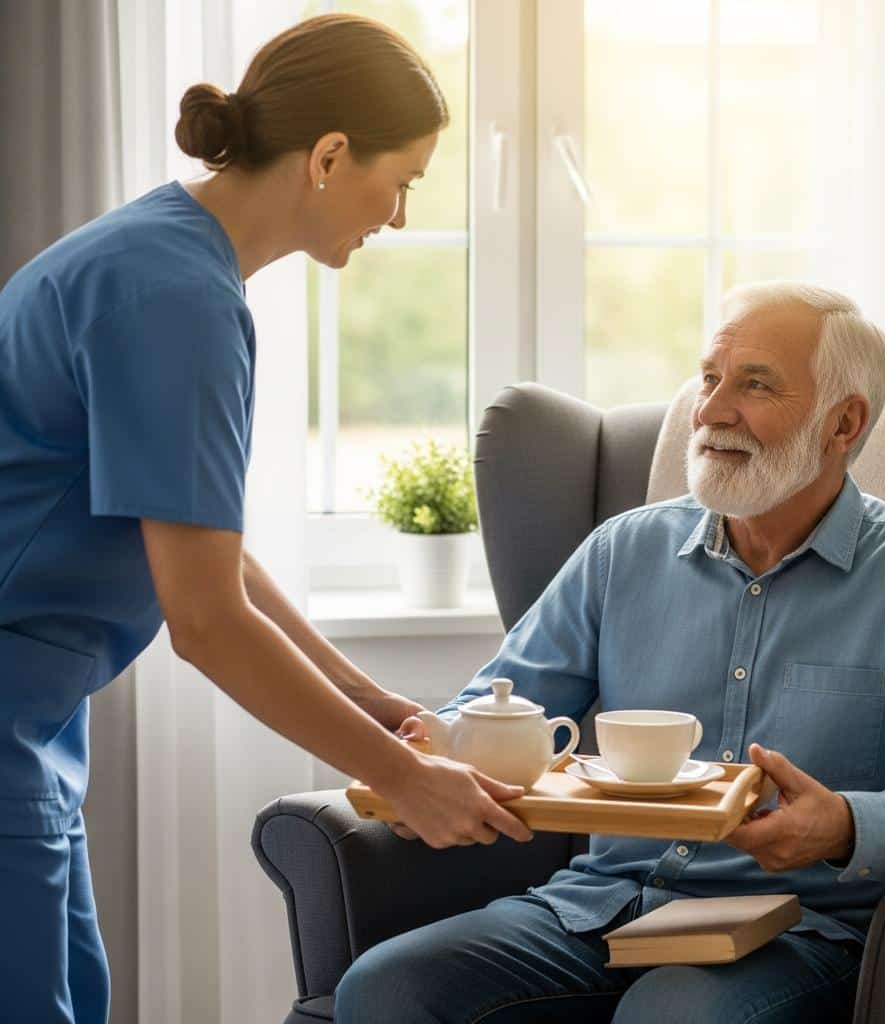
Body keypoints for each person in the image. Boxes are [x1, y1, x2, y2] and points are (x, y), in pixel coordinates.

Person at [0, 13, 531, 1023]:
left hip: (32, 715)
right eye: (403, 179)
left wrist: (371, 703)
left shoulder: (165, 259)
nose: (401, 215)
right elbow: (203, 622)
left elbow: (214, 558)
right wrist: (401, 779)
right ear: (329, 156)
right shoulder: (173, 296)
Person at [334, 282, 885, 1023]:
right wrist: (432, 747)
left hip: (798, 928)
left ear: (843, 422)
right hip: (597, 908)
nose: (712, 409)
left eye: (755, 385)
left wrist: (848, 824)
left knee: (672, 1014)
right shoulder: (621, 551)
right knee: (384, 988)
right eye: (709, 378)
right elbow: (506, 705)